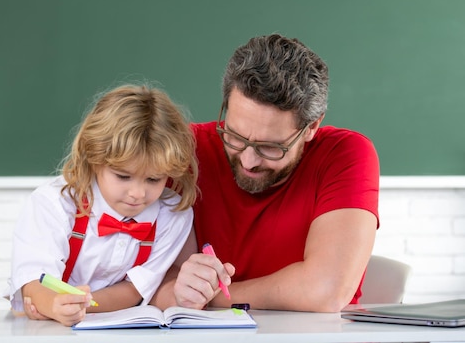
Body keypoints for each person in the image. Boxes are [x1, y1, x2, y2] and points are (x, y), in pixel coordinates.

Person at [151, 34, 380, 313]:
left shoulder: (345, 154)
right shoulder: (182, 149)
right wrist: (176, 291)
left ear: (311, 127)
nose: (248, 160)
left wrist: (208, 297)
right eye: (234, 135)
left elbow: (325, 290)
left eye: (270, 147)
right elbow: (139, 284)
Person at [7, 84, 198, 326]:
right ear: (95, 159)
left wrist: (81, 305)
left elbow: (134, 290)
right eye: (123, 176)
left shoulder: (172, 214)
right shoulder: (53, 203)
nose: (138, 193)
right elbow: (33, 283)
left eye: (153, 179)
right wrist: (53, 305)